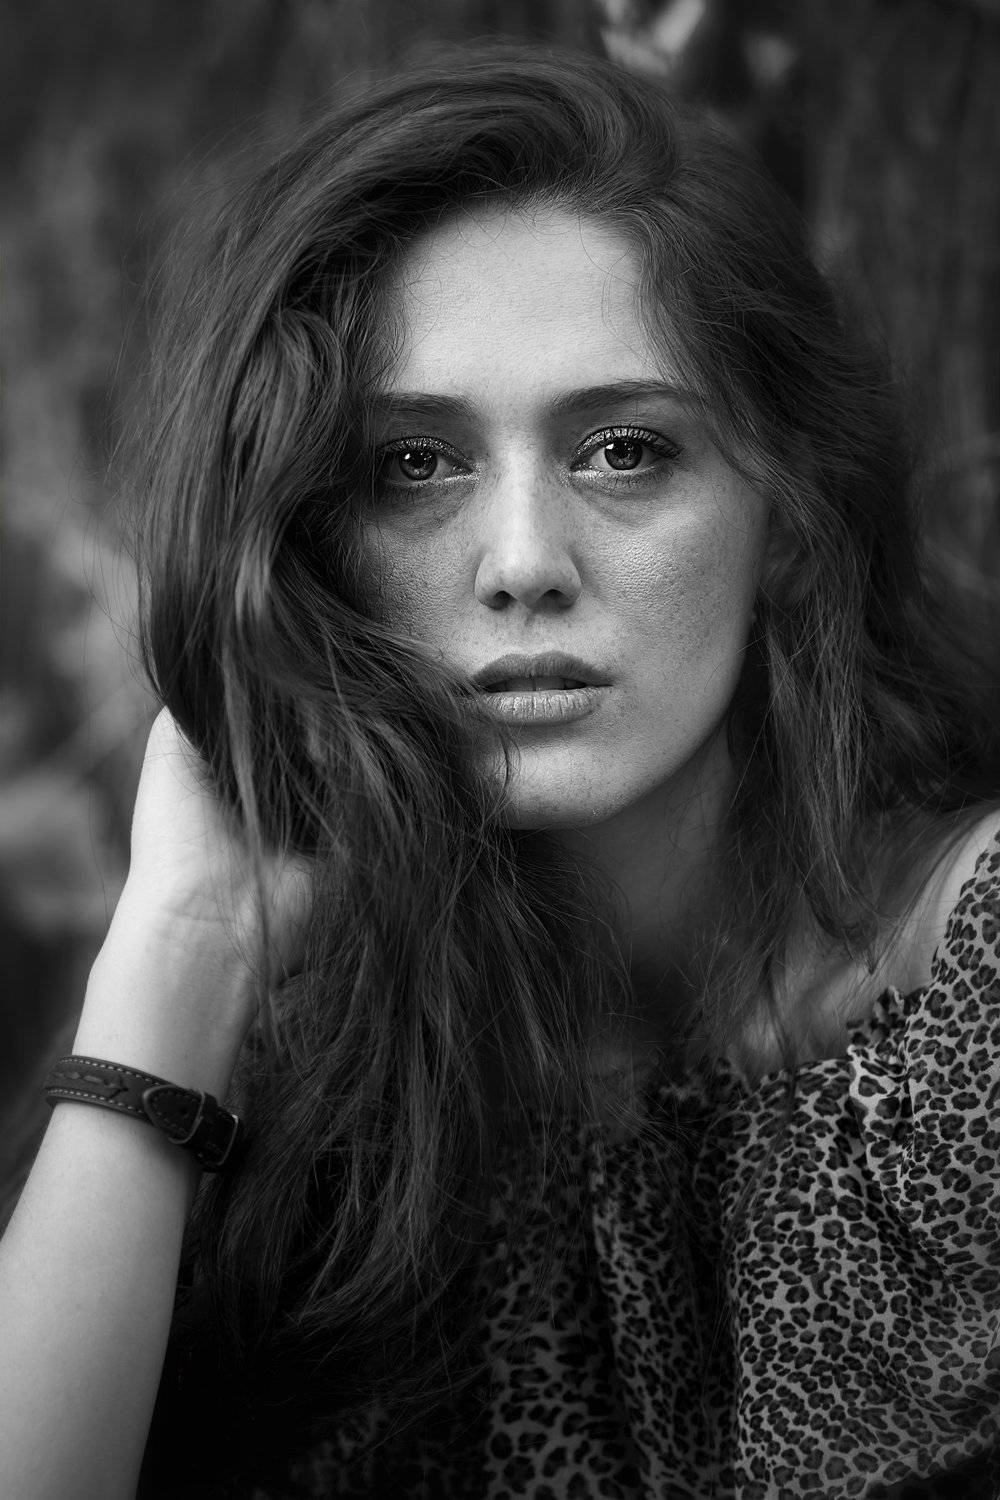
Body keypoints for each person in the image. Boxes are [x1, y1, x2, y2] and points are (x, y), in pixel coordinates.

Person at [2, 37, 1000, 1500]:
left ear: (787, 519)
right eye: (415, 465)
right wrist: (183, 945)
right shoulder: (320, 1089)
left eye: (624, 451)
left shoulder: (976, 974)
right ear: (312, 542)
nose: (524, 563)